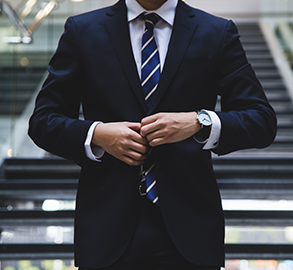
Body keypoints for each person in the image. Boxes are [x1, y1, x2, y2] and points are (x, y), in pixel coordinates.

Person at [28, 0, 277, 269]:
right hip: (106, 227)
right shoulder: (83, 29)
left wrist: (199, 121)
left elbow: (261, 120)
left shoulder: (216, 31)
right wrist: (98, 134)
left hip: (191, 230)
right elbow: (43, 121)